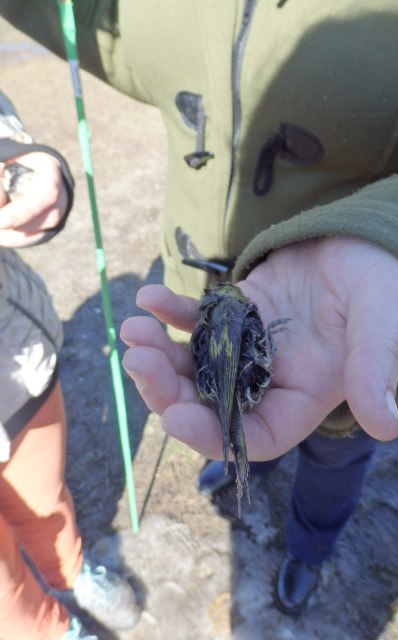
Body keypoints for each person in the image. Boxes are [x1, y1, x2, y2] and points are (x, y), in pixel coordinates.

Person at [3, 0, 398, 617]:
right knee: (249, 426)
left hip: (349, 329)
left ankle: (310, 546)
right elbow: (91, 21)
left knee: (337, 449)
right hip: (213, 304)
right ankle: (240, 465)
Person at [0, 91, 140, 639]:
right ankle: (54, 631)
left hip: (15, 362)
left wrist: (24, 162)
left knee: (45, 499)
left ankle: (71, 572)